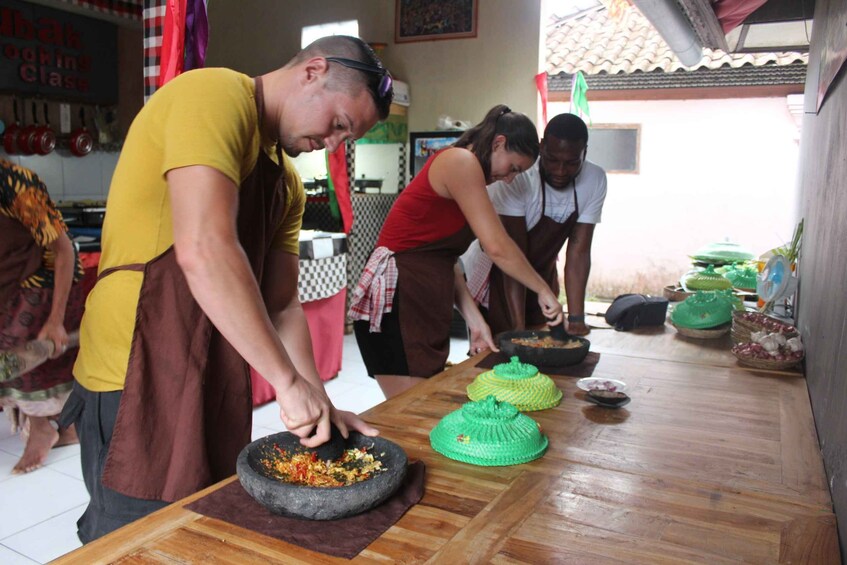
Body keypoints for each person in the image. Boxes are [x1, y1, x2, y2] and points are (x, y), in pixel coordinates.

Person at [64, 35, 393, 542]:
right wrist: (286, 384)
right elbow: (204, 248)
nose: (333, 144)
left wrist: (316, 399)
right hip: (135, 373)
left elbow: (283, 304)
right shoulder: (214, 94)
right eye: (339, 125)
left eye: (345, 139)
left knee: (197, 530)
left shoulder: (285, 180)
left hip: (209, 372)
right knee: (133, 541)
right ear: (313, 70)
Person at [349, 105, 564, 399]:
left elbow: (447, 261)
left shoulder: (469, 171)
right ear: (499, 143)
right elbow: (497, 247)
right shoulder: (460, 162)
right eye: (513, 168)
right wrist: (543, 290)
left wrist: (475, 321)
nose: (510, 178)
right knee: (414, 413)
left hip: (421, 301)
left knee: (425, 410)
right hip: (397, 302)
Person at [461, 113, 607, 336]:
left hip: (542, 277)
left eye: (571, 163)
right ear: (542, 147)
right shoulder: (518, 175)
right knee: (502, 351)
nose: (560, 171)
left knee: (544, 347)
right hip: (499, 275)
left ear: (584, 152)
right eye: (552, 160)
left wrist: (576, 319)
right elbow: (511, 254)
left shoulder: (594, 179)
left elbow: (579, 252)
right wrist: (518, 330)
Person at [0, 159, 84, 474]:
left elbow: (64, 251)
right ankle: (68, 430)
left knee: (19, 350)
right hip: (7, 281)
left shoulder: (16, 184)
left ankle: (43, 428)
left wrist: (55, 320)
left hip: (46, 277)